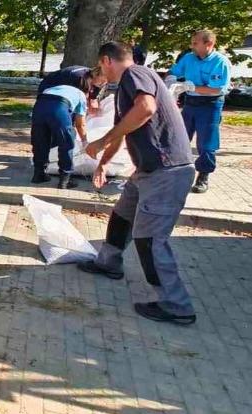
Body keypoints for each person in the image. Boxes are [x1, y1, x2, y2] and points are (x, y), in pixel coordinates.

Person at [82, 41, 196, 325]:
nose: (101, 73)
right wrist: (104, 161)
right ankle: (108, 262)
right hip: (147, 171)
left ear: (107, 60)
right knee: (122, 216)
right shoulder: (126, 88)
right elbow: (124, 130)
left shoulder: (135, 74)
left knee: (149, 239)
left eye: (101, 66)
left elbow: (146, 109)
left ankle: (176, 304)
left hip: (166, 171)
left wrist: (101, 140)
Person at [167, 30, 232, 193]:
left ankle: (203, 175)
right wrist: (171, 80)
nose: (192, 46)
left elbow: (217, 89)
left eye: (195, 43)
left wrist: (191, 87)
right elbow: (175, 72)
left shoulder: (220, 62)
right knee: (179, 138)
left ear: (208, 44)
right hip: (190, 103)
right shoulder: (189, 58)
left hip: (210, 105)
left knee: (206, 144)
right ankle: (175, 172)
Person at [30, 72, 92, 189]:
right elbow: (80, 124)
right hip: (59, 109)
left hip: (39, 107)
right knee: (66, 142)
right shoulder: (81, 95)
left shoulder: (55, 88)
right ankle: (65, 179)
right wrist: (84, 141)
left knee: (40, 141)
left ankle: (39, 174)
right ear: (86, 90)